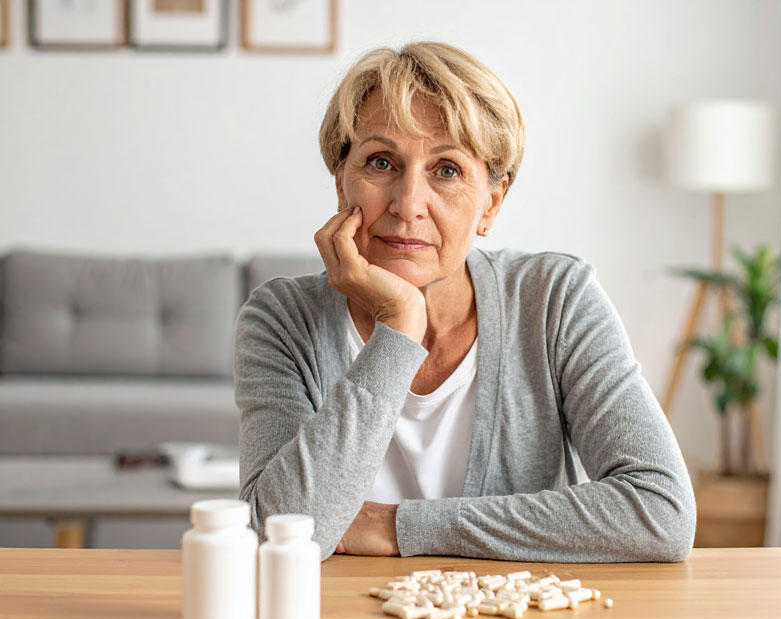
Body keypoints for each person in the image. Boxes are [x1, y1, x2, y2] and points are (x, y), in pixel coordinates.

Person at [235, 41, 696, 562]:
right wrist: (399, 327)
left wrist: (398, 527)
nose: (409, 204)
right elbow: (276, 534)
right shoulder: (280, 320)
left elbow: (661, 512)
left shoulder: (555, 300)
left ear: (491, 203)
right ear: (342, 185)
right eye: (381, 162)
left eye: (447, 170)